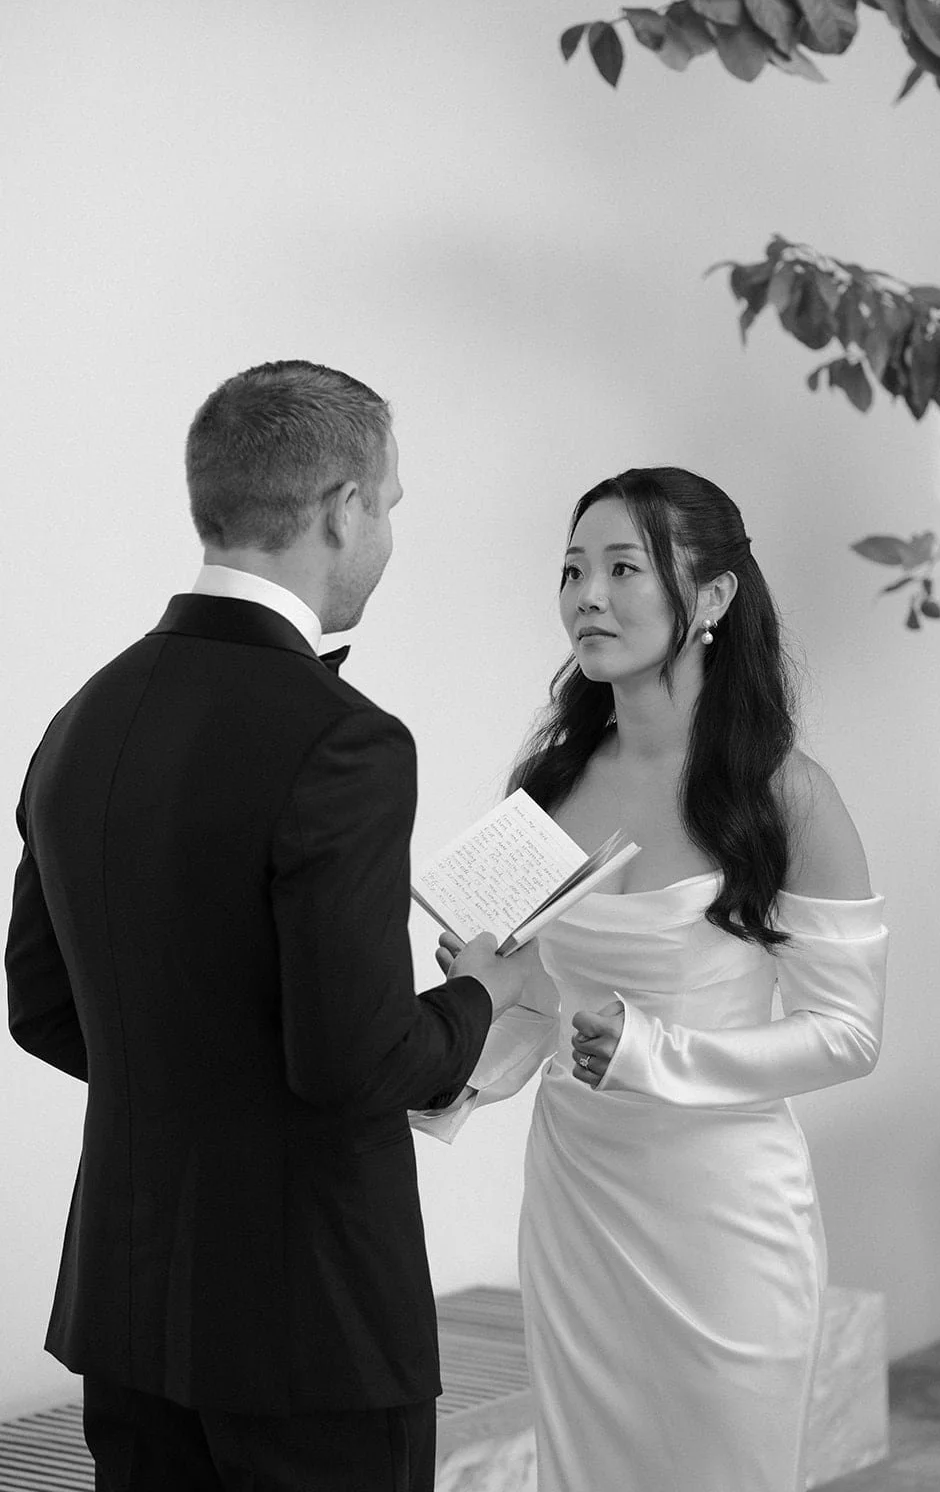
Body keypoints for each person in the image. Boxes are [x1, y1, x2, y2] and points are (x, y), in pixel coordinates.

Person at [4, 359, 534, 1492]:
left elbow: (43, 1008)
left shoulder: (81, 720)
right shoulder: (342, 737)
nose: (387, 531)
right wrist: (479, 993)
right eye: (389, 503)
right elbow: (354, 1058)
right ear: (343, 508)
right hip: (311, 1328)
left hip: (132, 1318)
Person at [414, 466, 888, 1492]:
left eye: (622, 567)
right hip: (576, 1201)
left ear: (710, 596)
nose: (587, 595)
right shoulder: (545, 787)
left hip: (722, 1214)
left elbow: (848, 1030)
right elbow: (541, 1012)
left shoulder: (785, 794)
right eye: (572, 570)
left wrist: (650, 1049)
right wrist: (477, 999)